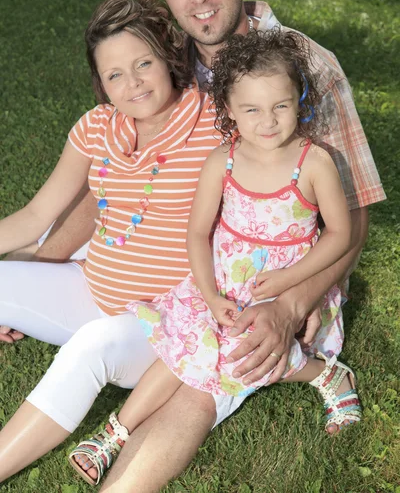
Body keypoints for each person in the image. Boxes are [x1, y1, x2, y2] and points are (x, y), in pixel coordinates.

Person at [0, 0, 385, 493]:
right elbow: (114, 187)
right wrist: (42, 264)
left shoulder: (303, 72)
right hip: (176, 272)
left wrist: (289, 305)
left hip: (257, 283)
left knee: (196, 387)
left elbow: (349, 222)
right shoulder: (160, 59)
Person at [68, 28, 361, 486]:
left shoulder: (314, 162)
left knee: (239, 356)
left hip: (285, 284)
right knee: (180, 345)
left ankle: (323, 374)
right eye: (251, 109)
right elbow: (197, 233)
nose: (268, 121)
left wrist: (288, 282)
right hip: (222, 285)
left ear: (299, 100)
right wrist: (206, 293)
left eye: (280, 106)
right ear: (228, 110)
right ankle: (117, 432)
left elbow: (340, 236)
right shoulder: (221, 162)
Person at [0, 0, 222, 483]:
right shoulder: (98, 127)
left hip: (160, 326)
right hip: (92, 288)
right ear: (100, 82)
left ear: (167, 58)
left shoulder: (216, 124)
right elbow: (36, 214)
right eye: (114, 74)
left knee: (93, 346)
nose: (133, 83)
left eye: (143, 63)